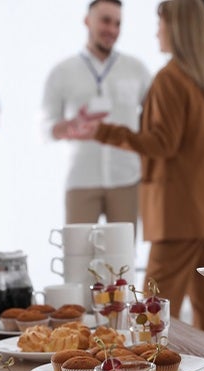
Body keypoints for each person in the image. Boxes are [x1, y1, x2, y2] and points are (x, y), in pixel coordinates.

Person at [65, 0, 204, 338]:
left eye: (161, 23)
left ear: (178, 29)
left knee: (151, 309)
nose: (157, 31)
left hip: (179, 213)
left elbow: (161, 144)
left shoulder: (171, 79)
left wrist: (103, 131)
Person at [41, 0, 151, 229]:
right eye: (105, 21)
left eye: (118, 23)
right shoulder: (62, 71)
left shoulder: (137, 69)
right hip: (81, 178)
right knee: (77, 258)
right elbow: (45, 127)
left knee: (122, 260)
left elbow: (154, 120)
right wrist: (68, 125)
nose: (112, 29)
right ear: (87, 21)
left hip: (127, 179)